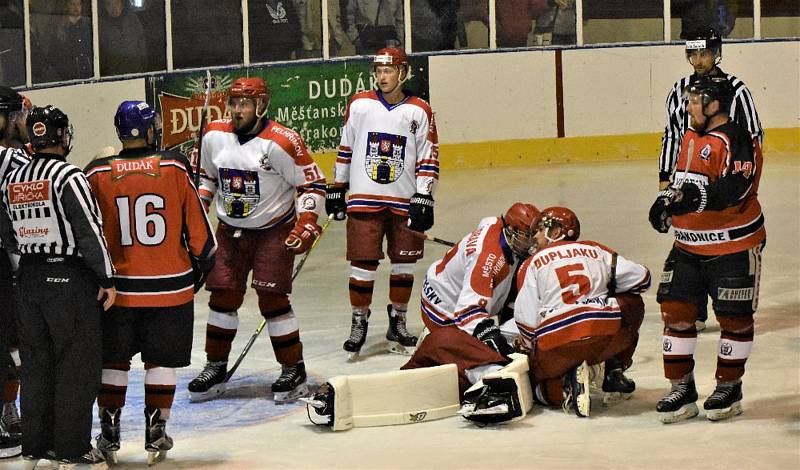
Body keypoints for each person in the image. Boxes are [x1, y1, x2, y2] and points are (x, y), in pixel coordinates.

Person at [84, 101, 217, 465]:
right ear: (149, 128)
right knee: (161, 361)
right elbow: (203, 238)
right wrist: (199, 271)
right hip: (170, 289)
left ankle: (109, 430)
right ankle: (157, 428)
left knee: (113, 361)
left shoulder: (96, 172)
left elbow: (85, 228)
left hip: (117, 291)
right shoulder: (174, 165)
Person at [189, 76, 326, 403]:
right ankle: (216, 365)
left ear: (261, 105)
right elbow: (207, 177)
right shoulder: (214, 136)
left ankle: (293, 368)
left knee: (273, 300)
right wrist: (199, 207)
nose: (238, 110)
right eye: (234, 103)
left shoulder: (282, 141)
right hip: (228, 232)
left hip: (273, 231)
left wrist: (307, 222)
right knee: (222, 296)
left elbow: (312, 185)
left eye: (245, 104)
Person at [0, 105, 115, 467]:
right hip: (69, 279)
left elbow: (6, 232)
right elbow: (89, 230)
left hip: (29, 280)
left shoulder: (13, 179)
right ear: (63, 136)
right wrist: (106, 277)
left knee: (35, 366)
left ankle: (35, 445)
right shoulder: (69, 176)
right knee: (76, 365)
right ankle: (71, 447)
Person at [648, 75, 765, 424]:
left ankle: (729, 387)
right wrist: (666, 201)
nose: (689, 106)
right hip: (687, 246)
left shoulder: (737, 139)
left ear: (715, 104)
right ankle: (681, 389)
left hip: (733, 244)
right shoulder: (689, 137)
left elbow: (737, 188)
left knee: (734, 318)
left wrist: (694, 199)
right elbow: (686, 184)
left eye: (695, 100)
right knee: (675, 311)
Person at [326, 47, 439, 360]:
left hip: (404, 201)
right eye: (378, 71)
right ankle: (358, 322)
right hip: (365, 199)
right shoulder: (360, 104)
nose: (382, 76)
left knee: (404, 264)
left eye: (388, 71)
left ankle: (398, 319)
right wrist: (338, 185)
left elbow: (429, 157)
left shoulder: (420, 110)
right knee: (362, 265)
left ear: (402, 73)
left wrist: (424, 194)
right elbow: (346, 146)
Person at [657, 28, 762, 331]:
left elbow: (751, 138)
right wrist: (666, 180)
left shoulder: (736, 90)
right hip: (687, 179)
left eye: (703, 53)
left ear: (716, 52)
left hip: (722, 177)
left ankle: (732, 296)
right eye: (693, 53)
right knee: (689, 240)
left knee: (724, 238)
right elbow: (672, 137)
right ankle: (696, 307)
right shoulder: (678, 90)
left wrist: (744, 183)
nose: (698, 59)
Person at [511, 207, 651, 418]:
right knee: (632, 302)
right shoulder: (596, 249)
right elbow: (643, 279)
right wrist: (605, 290)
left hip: (558, 345)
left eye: (540, 229)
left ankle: (567, 381)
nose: (535, 236)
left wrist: (529, 354)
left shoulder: (531, 264)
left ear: (556, 232)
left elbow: (526, 322)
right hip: (603, 337)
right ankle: (614, 369)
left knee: (540, 390)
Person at [401, 203, 541, 394]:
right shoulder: (487, 260)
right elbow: (468, 312)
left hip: (456, 289)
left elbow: (486, 222)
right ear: (513, 230)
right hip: (444, 309)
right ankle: (437, 341)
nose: (533, 242)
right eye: (528, 236)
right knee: (483, 353)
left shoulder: (500, 229)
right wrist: (495, 343)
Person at [0, 86, 30, 460]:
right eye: (19, 116)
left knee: (10, 339)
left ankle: (8, 408)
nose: (25, 123)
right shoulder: (12, 160)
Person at [98, 0, 147, 76]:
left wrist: (143, 65)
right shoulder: (100, 26)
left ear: (122, 4)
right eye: (109, 4)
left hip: (136, 70)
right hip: (113, 75)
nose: (113, 7)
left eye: (116, 3)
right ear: (105, 7)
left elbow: (142, 42)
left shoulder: (132, 20)